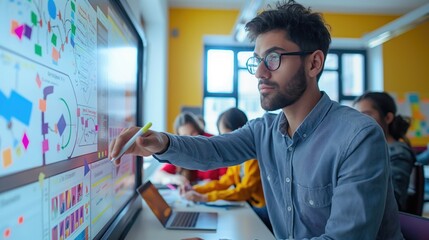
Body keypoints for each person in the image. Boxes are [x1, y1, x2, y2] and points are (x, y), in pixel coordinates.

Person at [109, 1, 403, 238]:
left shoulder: (359, 137)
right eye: (257, 61)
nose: (260, 73)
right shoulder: (265, 130)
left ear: (314, 63)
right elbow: (212, 151)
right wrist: (161, 141)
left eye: (273, 58)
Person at [180, 107, 271, 231]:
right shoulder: (238, 156)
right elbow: (226, 181)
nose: (225, 140)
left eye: (226, 134)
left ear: (240, 131)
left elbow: (243, 191)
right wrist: (196, 189)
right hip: (249, 205)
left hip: (263, 209)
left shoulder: (254, 157)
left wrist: (205, 198)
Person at [354, 91, 415, 211]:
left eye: (367, 115)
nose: (360, 122)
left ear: (388, 118)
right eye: (357, 116)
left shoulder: (399, 152)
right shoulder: (362, 150)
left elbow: (392, 199)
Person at [151, 112, 227, 185]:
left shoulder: (212, 142)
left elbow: (227, 178)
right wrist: (174, 178)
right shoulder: (180, 148)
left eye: (193, 133)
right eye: (185, 136)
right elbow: (158, 175)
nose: (190, 139)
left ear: (198, 130)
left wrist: (211, 185)